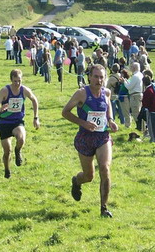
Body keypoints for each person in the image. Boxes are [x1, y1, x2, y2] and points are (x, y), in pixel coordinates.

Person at [62, 64, 118, 218]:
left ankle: (103, 208)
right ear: (89, 77)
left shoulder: (106, 92)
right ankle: (77, 181)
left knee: (105, 168)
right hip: (85, 138)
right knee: (89, 176)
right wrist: (83, 122)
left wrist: (111, 120)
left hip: (102, 137)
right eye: (96, 76)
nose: (99, 80)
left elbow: (108, 106)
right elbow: (65, 112)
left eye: (102, 77)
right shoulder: (81, 93)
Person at [0, 69, 40, 179]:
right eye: (15, 81)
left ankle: (18, 151)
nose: (17, 83)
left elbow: (34, 100)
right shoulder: (5, 91)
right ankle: (7, 169)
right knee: (7, 151)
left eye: (19, 81)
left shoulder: (24, 90)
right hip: (4, 123)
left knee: (21, 138)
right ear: (11, 80)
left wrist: (36, 118)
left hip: (17, 121)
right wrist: (0, 109)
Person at [124, 62, 143, 130]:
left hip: (135, 95)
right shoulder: (140, 74)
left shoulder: (135, 76)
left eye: (131, 67)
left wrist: (124, 82)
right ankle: (140, 126)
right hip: (138, 94)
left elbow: (129, 87)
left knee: (135, 112)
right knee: (138, 111)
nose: (130, 68)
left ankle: (139, 126)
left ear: (134, 68)